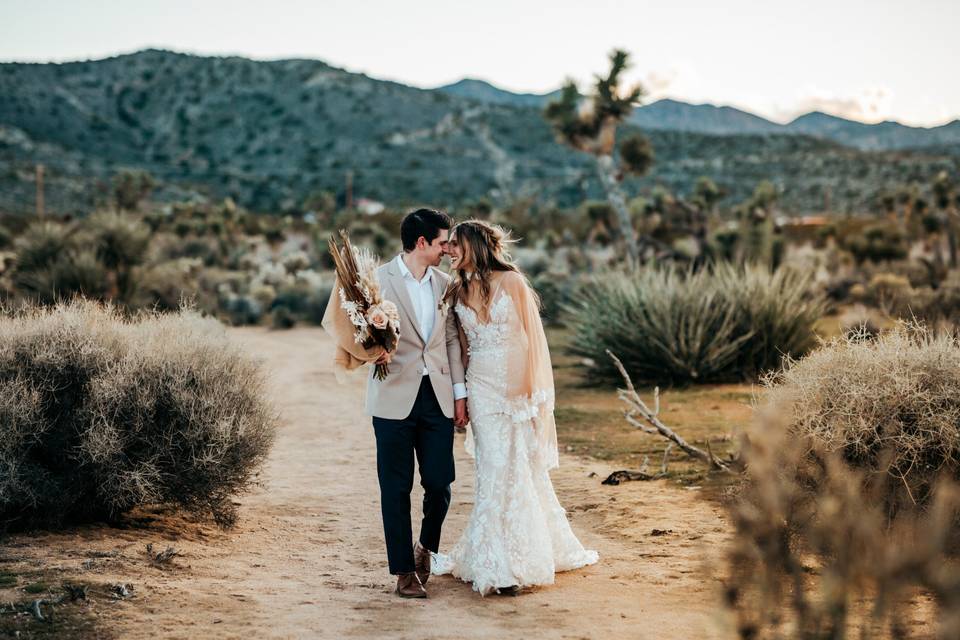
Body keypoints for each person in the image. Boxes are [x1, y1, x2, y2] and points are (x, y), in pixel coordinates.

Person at [432, 219, 598, 595]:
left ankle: (527, 552)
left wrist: (532, 396)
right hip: (481, 389)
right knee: (493, 467)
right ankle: (497, 563)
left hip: (516, 388)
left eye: (455, 244)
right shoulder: (456, 290)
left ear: (473, 244)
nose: (449, 251)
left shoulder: (513, 282)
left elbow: (533, 342)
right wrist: (461, 394)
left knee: (519, 466)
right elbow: (457, 346)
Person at [322, 208, 468, 599]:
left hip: (436, 397)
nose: (447, 250)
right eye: (442, 243)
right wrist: (372, 353)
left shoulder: (445, 283)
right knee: (396, 487)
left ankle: (427, 549)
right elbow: (349, 330)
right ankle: (404, 570)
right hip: (391, 401)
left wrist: (459, 394)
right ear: (422, 243)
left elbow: (450, 340)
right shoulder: (374, 282)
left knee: (440, 484)